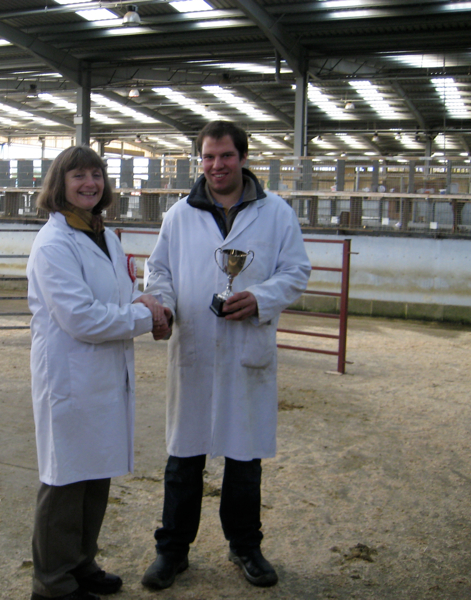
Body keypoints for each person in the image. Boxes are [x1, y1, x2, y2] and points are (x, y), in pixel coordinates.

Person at [141, 121, 311, 590]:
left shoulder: (276, 213)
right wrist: (166, 308)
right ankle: (172, 551)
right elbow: (159, 272)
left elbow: (296, 271)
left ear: (243, 158)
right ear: (201, 160)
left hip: (245, 350)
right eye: (209, 157)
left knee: (244, 458)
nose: (217, 166)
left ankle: (245, 547)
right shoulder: (179, 215)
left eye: (226, 156)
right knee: (183, 457)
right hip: (193, 347)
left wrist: (261, 297)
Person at [27, 145, 171, 600]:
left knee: (95, 475)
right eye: (79, 176)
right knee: (65, 480)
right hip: (70, 379)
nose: (90, 183)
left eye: (96, 174)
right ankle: (51, 583)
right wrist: (148, 317)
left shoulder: (102, 235)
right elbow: (83, 318)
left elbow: (126, 292)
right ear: (59, 184)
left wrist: (144, 302)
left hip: (105, 375)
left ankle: (80, 563)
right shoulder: (53, 244)